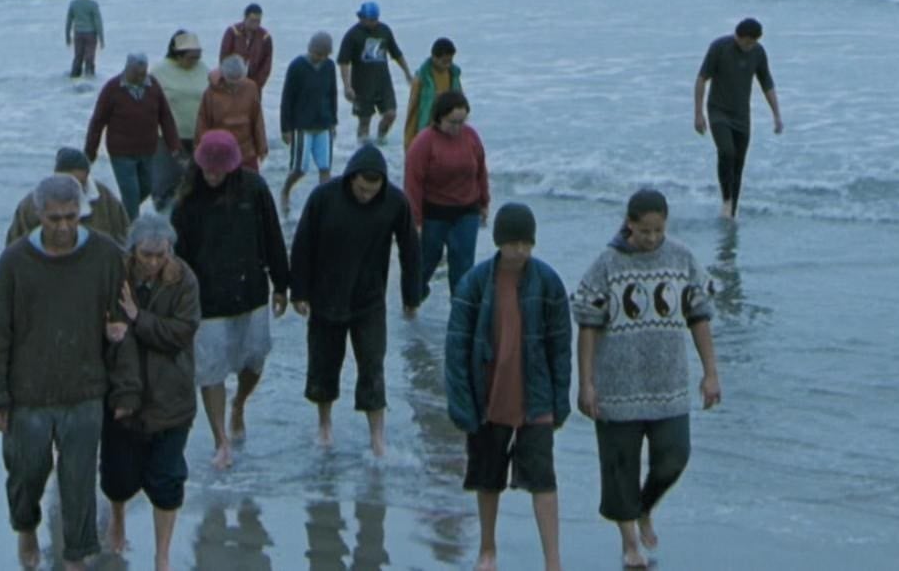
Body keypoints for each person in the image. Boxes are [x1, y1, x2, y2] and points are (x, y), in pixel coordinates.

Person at [0, 175, 142, 570]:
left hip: (84, 388)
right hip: (28, 392)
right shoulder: (15, 261)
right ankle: (26, 526)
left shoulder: (105, 255)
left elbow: (121, 325)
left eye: (71, 216)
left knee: (79, 479)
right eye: (54, 218)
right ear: (39, 214)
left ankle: (76, 555)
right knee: (26, 472)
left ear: (81, 212)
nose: (64, 226)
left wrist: (126, 389)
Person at [572, 189, 722, 569]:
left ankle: (645, 507)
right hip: (616, 389)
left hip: (669, 385)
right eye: (644, 231)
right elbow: (587, 326)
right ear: (629, 224)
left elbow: (699, 317)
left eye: (658, 230)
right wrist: (586, 383)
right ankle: (629, 544)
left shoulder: (681, 258)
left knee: (675, 456)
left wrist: (711, 373)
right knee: (619, 467)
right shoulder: (607, 264)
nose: (652, 238)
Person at [445, 203, 571, 571]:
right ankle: (487, 548)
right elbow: (456, 348)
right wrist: (461, 403)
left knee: (544, 479)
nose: (520, 250)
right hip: (487, 395)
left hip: (537, 396)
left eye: (526, 243)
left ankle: (553, 560)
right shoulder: (473, 283)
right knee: (488, 479)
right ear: (499, 242)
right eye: (514, 243)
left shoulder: (548, 282)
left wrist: (560, 400)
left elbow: (561, 347)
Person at [288, 144, 421, 456]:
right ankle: (324, 425)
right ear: (351, 178)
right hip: (325, 296)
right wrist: (299, 292)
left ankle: (377, 437)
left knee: (373, 366)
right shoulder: (324, 198)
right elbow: (302, 244)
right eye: (362, 189)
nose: (366, 195)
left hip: (369, 299)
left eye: (372, 191)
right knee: (323, 364)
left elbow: (411, 250)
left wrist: (412, 295)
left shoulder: (394, 202)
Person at [169, 131, 289, 471]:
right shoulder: (187, 199)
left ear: (232, 167)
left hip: (251, 290)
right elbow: (178, 257)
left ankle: (239, 403)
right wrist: (178, 300)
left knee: (256, 358)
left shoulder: (255, 189)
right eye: (207, 169)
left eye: (219, 170)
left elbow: (273, 235)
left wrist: (282, 284)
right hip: (206, 299)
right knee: (211, 369)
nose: (212, 176)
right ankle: (221, 439)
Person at [102, 215, 200, 571]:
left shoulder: (184, 279)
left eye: (162, 254)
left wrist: (137, 317)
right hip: (123, 393)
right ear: (133, 250)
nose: (155, 262)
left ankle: (162, 555)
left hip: (171, 395)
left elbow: (182, 332)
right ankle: (117, 518)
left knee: (167, 479)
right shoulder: (116, 275)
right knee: (117, 476)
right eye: (147, 254)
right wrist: (110, 329)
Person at [693, 17, 783, 219]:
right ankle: (726, 200)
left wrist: (776, 114)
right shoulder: (719, 47)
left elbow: (767, 83)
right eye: (747, 42)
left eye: (754, 43)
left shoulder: (758, 52)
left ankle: (732, 209)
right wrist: (698, 114)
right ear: (738, 36)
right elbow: (701, 79)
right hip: (718, 111)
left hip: (742, 116)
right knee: (727, 152)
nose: (750, 47)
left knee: (739, 163)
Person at [405, 91, 490, 300]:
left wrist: (484, 202)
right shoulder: (424, 142)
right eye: (453, 122)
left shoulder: (471, 136)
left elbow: (480, 170)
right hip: (434, 213)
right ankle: (412, 302)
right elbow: (413, 183)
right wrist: (415, 221)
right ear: (439, 118)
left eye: (462, 122)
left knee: (463, 267)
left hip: (467, 211)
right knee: (425, 263)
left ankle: (460, 309)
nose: (458, 128)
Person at [85, 52, 183, 221]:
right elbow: (98, 121)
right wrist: (90, 151)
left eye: (143, 74)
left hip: (148, 150)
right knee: (131, 194)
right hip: (121, 153)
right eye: (136, 74)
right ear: (127, 69)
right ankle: (130, 229)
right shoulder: (112, 88)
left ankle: (116, 217)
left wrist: (174, 146)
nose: (140, 78)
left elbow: (165, 117)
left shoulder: (153, 86)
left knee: (147, 187)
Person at [4, 147, 132, 247]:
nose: (72, 190)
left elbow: (125, 239)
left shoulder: (106, 200)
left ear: (87, 176)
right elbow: (14, 245)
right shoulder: (32, 204)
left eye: (79, 184)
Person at [337, 1, 413, 144]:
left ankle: (381, 140)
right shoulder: (352, 35)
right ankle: (362, 148)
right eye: (370, 20)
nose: (374, 23)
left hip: (383, 82)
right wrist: (347, 86)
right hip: (361, 85)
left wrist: (407, 73)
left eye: (376, 19)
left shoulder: (384, 30)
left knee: (390, 114)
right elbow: (343, 62)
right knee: (364, 120)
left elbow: (396, 53)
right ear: (361, 18)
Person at [279, 31, 338, 213]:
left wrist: (333, 121)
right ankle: (285, 192)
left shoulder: (329, 66)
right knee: (300, 169)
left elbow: (332, 93)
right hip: (302, 126)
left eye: (324, 55)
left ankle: (324, 203)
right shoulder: (297, 66)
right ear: (310, 49)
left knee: (325, 168)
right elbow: (287, 98)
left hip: (324, 124)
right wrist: (285, 128)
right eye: (317, 54)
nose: (320, 58)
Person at [151, 30, 210, 211]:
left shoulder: (203, 69)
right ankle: (163, 214)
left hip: (197, 135)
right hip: (166, 138)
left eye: (198, 56)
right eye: (191, 57)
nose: (195, 61)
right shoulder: (159, 72)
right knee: (166, 179)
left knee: (195, 180)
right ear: (178, 55)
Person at [195, 55, 268, 172]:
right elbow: (202, 122)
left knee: (249, 180)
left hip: (246, 151)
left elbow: (257, 119)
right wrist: (201, 148)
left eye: (239, 82)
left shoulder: (251, 87)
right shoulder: (210, 93)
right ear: (223, 76)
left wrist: (262, 148)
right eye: (231, 82)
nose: (235, 86)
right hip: (220, 150)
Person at [404, 37, 461, 151]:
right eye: (444, 62)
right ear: (434, 58)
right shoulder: (421, 79)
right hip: (428, 128)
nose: (447, 65)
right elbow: (413, 111)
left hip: (448, 128)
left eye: (450, 61)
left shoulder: (453, 75)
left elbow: (461, 102)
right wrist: (409, 143)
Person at [219, 3, 274, 92]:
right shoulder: (232, 32)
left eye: (258, 21)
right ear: (245, 18)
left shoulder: (265, 37)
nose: (255, 24)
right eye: (252, 20)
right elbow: (224, 58)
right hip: (231, 83)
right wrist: (229, 81)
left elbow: (266, 66)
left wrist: (256, 86)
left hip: (254, 85)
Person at [65, 0, 104, 78]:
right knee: (89, 58)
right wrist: (101, 39)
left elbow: (68, 21)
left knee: (78, 57)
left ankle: (74, 75)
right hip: (91, 34)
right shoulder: (93, 4)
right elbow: (98, 22)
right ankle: (89, 77)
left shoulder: (73, 3)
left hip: (78, 33)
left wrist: (67, 36)